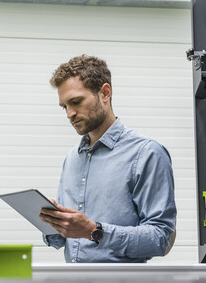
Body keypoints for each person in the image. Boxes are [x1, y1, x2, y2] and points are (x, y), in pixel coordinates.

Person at [39, 55, 177, 263]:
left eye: (76, 102)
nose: (69, 114)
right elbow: (62, 241)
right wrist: (54, 223)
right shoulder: (71, 159)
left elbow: (160, 238)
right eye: (64, 106)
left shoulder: (146, 153)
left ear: (105, 93)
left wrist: (94, 231)